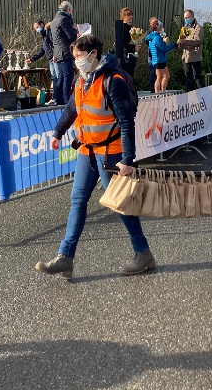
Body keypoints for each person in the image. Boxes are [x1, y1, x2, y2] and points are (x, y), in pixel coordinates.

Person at [35, 34, 155, 279]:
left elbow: (126, 122)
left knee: (120, 203)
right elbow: (72, 108)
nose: (76, 60)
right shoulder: (82, 81)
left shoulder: (114, 82)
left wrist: (128, 160)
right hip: (87, 151)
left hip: (111, 154)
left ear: (93, 54)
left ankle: (143, 253)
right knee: (77, 201)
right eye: (74, 56)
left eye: (79, 56)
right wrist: (58, 132)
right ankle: (65, 257)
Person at [51, 1, 79, 105]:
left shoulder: (54, 20)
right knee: (68, 77)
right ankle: (66, 101)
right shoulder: (64, 19)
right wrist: (76, 30)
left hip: (58, 52)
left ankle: (58, 99)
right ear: (69, 10)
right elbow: (71, 36)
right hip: (65, 52)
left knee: (61, 78)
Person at [27, 18, 58, 104]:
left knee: (58, 78)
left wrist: (55, 54)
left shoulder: (49, 33)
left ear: (42, 25)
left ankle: (59, 98)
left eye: (37, 27)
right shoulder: (43, 37)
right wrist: (32, 59)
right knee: (54, 78)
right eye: (35, 28)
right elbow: (42, 50)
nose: (36, 30)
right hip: (51, 60)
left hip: (55, 58)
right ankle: (55, 98)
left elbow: (55, 44)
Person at [145, 18, 176, 93]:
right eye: (161, 27)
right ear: (158, 28)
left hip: (161, 59)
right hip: (158, 60)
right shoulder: (157, 37)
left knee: (167, 76)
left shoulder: (154, 36)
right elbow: (164, 48)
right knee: (159, 78)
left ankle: (163, 91)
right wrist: (173, 45)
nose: (162, 28)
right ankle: (157, 93)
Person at [177, 9, 204, 91]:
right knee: (188, 77)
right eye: (185, 18)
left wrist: (185, 41)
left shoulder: (198, 28)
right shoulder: (185, 28)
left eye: (187, 17)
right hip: (186, 57)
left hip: (195, 57)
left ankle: (203, 93)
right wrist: (179, 43)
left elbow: (197, 41)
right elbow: (180, 39)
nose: (186, 19)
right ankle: (190, 93)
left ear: (192, 17)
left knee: (197, 76)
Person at [119, 7, 139, 78]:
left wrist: (136, 45)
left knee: (130, 74)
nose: (131, 17)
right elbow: (123, 43)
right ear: (123, 16)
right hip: (125, 55)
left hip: (131, 53)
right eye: (128, 15)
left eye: (131, 15)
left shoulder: (130, 28)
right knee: (126, 75)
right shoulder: (122, 28)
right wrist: (133, 47)